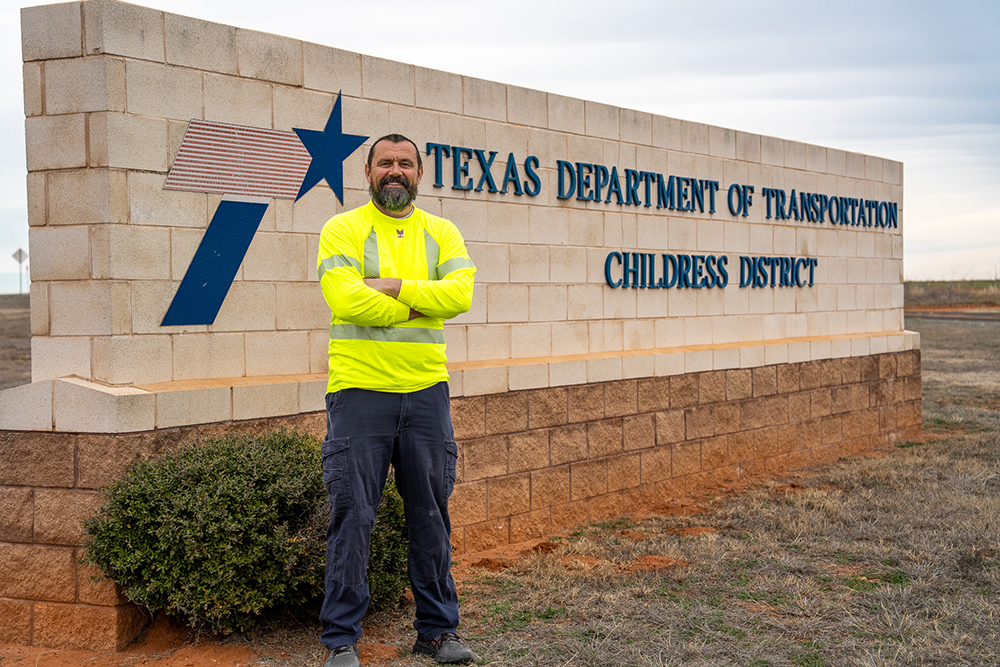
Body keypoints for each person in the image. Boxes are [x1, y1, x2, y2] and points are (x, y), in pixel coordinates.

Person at [316, 134, 477, 667]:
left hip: (426, 393)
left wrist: (390, 287)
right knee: (352, 515)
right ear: (367, 172)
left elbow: (460, 295)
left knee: (431, 516)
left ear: (419, 174)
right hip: (360, 393)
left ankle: (437, 632)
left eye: (405, 163)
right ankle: (341, 639)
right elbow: (345, 299)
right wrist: (420, 302)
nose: (395, 170)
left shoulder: (442, 232)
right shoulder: (343, 228)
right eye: (385, 162)